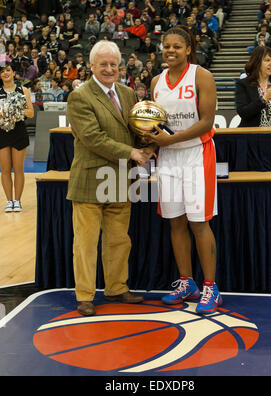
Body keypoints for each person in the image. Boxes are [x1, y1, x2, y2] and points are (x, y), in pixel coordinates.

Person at [66, 40, 150, 316]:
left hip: (120, 180)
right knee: (86, 243)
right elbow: (93, 138)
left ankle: (116, 287)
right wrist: (133, 152)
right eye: (103, 64)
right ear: (91, 66)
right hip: (91, 179)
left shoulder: (127, 94)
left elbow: (135, 130)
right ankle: (85, 296)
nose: (109, 68)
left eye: (113, 64)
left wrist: (150, 140)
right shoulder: (79, 96)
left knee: (118, 240)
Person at [148, 26, 221, 314]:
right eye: (167, 46)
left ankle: (210, 287)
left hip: (196, 154)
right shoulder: (156, 81)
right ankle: (186, 282)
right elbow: (154, 122)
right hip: (167, 157)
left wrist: (170, 139)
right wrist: (148, 138)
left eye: (177, 46)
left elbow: (206, 122)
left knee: (199, 223)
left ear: (189, 49)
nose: (170, 51)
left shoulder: (201, 75)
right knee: (175, 221)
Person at [0, 57, 34, 212]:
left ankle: (18, 201)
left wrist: (15, 112)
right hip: (2, 133)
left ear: (13, 72)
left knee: (19, 168)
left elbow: (31, 113)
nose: (5, 73)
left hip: (19, 132)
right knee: (5, 169)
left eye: (8, 70)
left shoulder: (23, 90)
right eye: (2, 71)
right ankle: (9, 201)